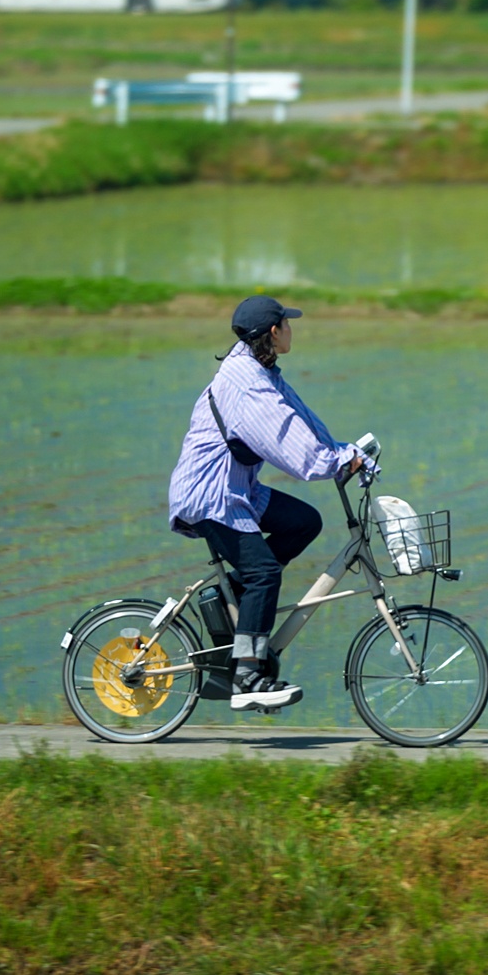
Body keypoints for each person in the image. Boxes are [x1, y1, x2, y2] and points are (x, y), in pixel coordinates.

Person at [166, 296, 371, 712]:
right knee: (264, 574)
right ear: (273, 333)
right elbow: (288, 442)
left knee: (303, 522)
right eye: (287, 323)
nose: (292, 329)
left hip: (238, 491)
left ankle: (235, 603)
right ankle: (247, 674)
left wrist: (346, 452)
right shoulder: (247, 383)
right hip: (210, 495)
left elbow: (302, 419)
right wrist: (330, 463)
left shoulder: (262, 371)